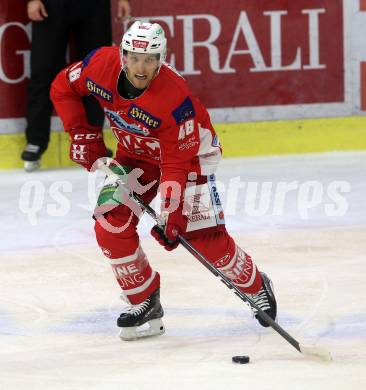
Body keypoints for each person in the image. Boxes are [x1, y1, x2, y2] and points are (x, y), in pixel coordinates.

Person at [50, 21, 277, 341]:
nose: (141, 68)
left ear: (161, 60)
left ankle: (256, 286)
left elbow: (176, 164)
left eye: (150, 60)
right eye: (134, 58)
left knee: (202, 237)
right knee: (110, 224)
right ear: (123, 55)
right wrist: (80, 132)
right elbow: (62, 86)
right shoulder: (100, 64)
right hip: (135, 158)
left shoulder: (173, 100)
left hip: (190, 159)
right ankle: (144, 299)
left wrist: (173, 213)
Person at [22, 0, 132, 171]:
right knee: (43, 70)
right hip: (51, 5)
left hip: (94, 6)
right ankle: (35, 141)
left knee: (96, 72)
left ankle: (93, 141)